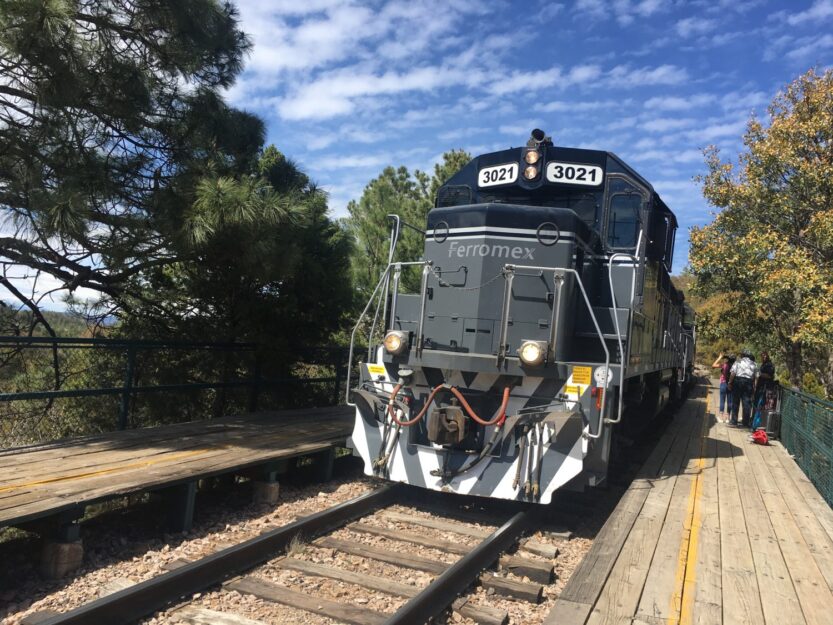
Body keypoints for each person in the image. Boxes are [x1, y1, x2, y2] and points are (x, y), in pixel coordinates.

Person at [728, 348, 757, 427]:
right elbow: (754, 377)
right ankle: (745, 422)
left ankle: (734, 421)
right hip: (748, 383)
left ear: (742, 355)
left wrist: (730, 383)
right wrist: (754, 387)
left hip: (738, 382)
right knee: (747, 403)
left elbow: (733, 373)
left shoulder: (738, 362)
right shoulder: (754, 364)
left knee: (735, 402)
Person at [752, 351, 776, 430]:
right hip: (760, 387)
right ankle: (754, 422)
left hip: (765, 388)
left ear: (768, 356)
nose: (763, 357)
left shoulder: (769, 365)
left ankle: (758, 424)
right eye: (762, 356)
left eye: (765, 356)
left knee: (760, 405)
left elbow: (769, 376)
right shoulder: (763, 364)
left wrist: (760, 374)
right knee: (756, 404)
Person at [711, 352, 734, 422]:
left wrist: (719, 357)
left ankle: (721, 417)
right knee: (730, 401)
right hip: (731, 385)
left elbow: (713, 365)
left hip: (723, 384)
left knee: (722, 400)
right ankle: (728, 418)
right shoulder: (734, 366)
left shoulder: (724, 365)